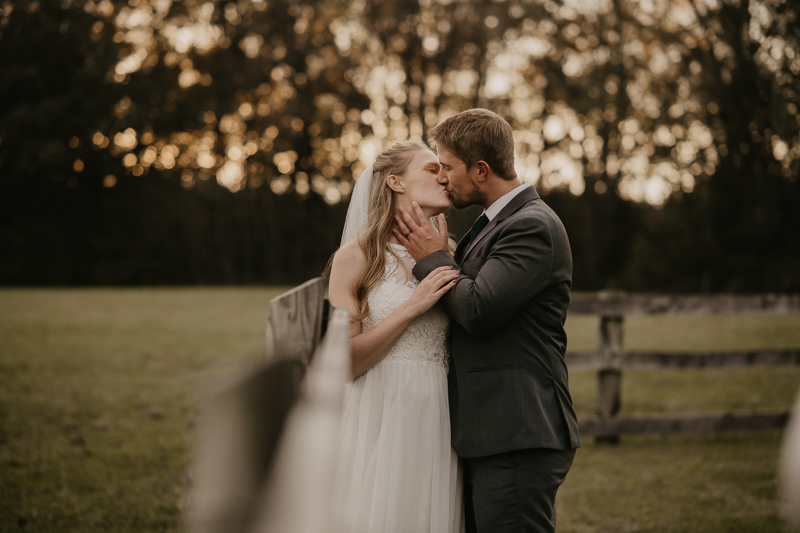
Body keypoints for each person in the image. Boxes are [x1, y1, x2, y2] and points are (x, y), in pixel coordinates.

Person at [394, 108, 581, 533]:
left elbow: (479, 309)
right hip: (491, 432)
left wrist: (431, 259)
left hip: (516, 431)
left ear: (481, 170)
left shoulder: (531, 226)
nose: (442, 177)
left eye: (448, 167)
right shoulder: (493, 224)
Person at [328, 141, 465, 533]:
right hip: (379, 408)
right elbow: (345, 362)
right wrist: (411, 306)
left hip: (439, 412)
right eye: (431, 169)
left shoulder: (452, 254)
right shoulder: (356, 258)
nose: (444, 176)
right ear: (395, 182)